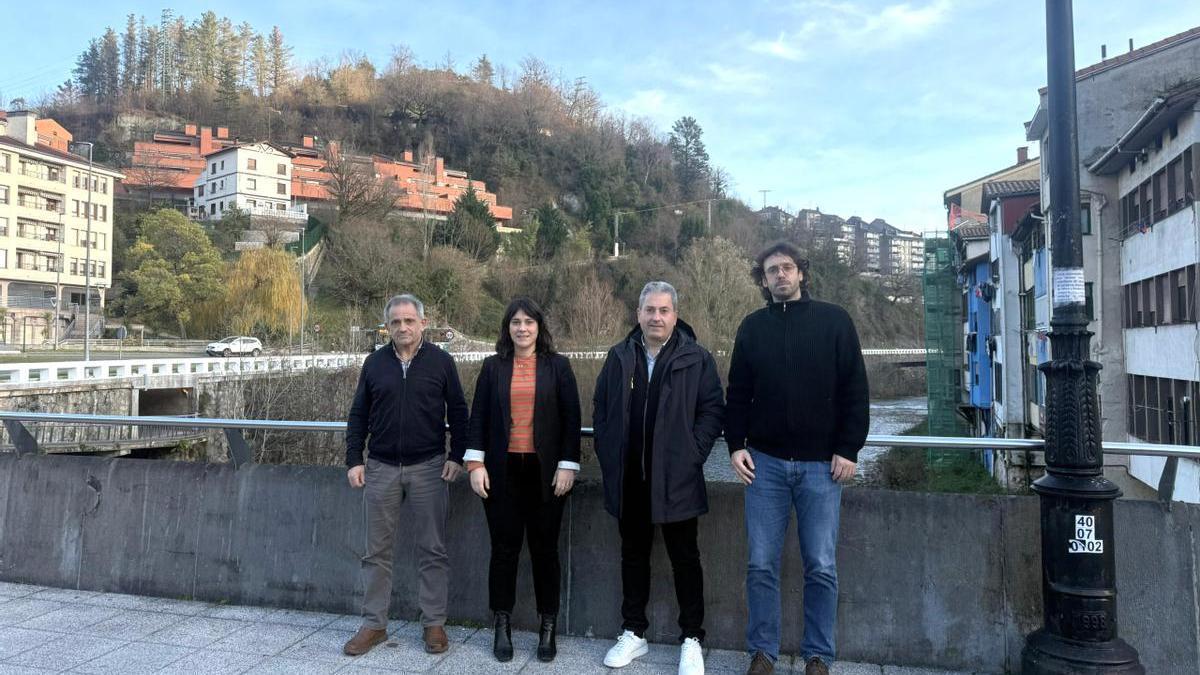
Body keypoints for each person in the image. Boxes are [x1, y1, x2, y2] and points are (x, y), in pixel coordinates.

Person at [725, 242, 869, 675]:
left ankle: (818, 656)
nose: (781, 275)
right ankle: (762, 653)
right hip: (764, 464)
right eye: (772, 270)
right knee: (760, 564)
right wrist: (735, 445)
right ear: (763, 280)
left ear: (801, 273)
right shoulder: (752, 327)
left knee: (821, 566)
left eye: (787, 268)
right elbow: (738, 393)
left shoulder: (834, 320)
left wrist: (849, 448)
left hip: (822, 466)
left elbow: (855, 389)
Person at [593, 281, 725, 675]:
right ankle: (634, 632)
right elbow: (601, 408)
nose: (656, 317)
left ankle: (692, 638)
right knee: (633, 556)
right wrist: (609, 454)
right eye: (649, 310)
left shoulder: (696, 358)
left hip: (677, 478)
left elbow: (712, 410)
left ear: (675, 315)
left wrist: (692, 455)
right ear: (638, 314)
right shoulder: (619, 356)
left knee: (685, 559)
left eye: (664, 310)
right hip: (629, 477)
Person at [342, 294, 469, 657]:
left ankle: (434, 623)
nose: (403, 327)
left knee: (433, 549)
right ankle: (374, 624)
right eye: (396, 322)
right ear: (387, 326)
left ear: (422, 323)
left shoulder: (441, 362)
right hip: (380, 467)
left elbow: (459, 412)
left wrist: (457, 456)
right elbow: (358, 414)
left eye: (409, 320)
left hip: (429, 467)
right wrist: (354, 459)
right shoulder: (374, 363)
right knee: (376, 552)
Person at [463, 297, 582, 664]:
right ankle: (502, 624)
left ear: (539, 327)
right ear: (507, 328)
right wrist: (475, 465)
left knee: (546, 551)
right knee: (504, 550)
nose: (522, 328)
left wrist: (568, 465)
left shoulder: (558, 367)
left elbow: (572, 420)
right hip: (502, 472)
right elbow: (478, 417)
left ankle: (548, 626)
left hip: (546, 474)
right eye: (516, 322)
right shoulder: (493, 367)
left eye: (529, 322)